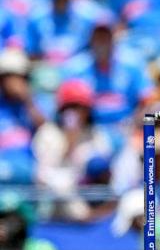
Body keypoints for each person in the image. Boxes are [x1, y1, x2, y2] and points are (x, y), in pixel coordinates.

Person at [32, 78, 113, 221]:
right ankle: (85, 218)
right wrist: (69, 141)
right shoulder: (48, 132)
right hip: (56, 195)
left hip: (89, 193)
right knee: (60, 184)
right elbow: (43, 173)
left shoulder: (95, 133)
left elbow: (103, 167)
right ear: (62, 109)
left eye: (81, 107)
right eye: (72, 107)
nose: (77, 112)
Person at [62, 15, 153, 141]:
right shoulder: (76, 68)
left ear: (113, 37)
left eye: (106, 37)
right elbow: (68, 108)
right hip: (90, 130)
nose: (102, 42)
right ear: (91, 39)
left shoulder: (132, 63)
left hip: (127, 128)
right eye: (98, 37)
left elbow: (147, 101)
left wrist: (133, 126)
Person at [24, 0, 105, 64]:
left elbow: (110, 28)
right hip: (47, 69)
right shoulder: (37, 15)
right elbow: (32, 52)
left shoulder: (88, 13)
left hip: (79, 69)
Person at [0, 48, 45, 185]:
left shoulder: (35, 103)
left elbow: (45, 129)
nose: (13, 83)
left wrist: (27, 100)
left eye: (18, 77)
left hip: (30, 169)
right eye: (9, 77)